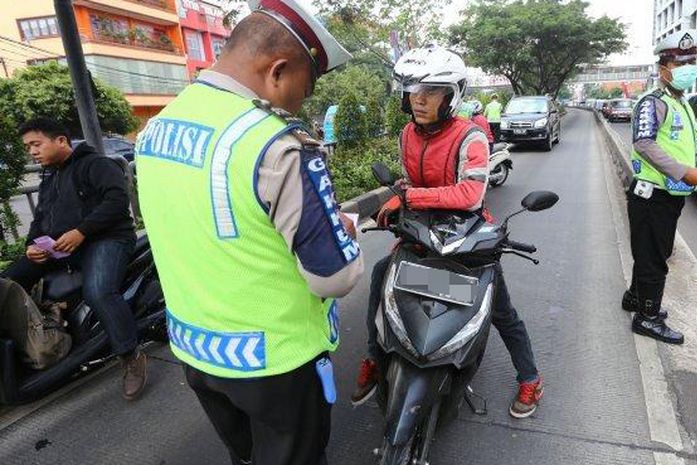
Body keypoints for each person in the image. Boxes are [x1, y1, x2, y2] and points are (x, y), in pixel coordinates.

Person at [135, 1, 363, 464]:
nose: (304, 101)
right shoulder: (277, 145)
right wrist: (346, 237)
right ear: (278, 70)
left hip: (197, 351)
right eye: (307, 85)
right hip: (276, 364)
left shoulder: (155, 129)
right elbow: (334, 277)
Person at [350, 45, 543, 419]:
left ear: (451, 95)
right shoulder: (407, 134)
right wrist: (396, 196)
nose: (418, 101)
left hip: (467, 235)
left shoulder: (469, 137)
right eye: (412, 92)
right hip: (421, 231)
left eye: (430, 93)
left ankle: (530, 377)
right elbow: (410, 180)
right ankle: (374, 357)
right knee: (380, 280)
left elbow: (470, 194)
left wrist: (409, 196)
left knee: (498, 308)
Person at [0, 118, 144, 399]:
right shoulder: (49, 177)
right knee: (9, 280)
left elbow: (116, 201)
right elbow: (40, 218)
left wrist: (81, 231)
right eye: (28, 147)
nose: (31, 152)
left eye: (36, 144)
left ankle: (131, 356)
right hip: (61, 247)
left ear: (61, 141)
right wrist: (31, 246)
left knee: (99, 291)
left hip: (107, 240)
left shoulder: (96, 164)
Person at [623, 29, 697, 344]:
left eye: (691, 60)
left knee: (653, 251)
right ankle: (647, 317)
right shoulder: (652, 102)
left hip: (668, 196)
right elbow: (643, 143)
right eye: (679, 61)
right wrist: (684, 172)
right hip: (652, 195)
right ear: (662, 67)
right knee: (654, 258)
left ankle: (635, 298)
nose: (687, 67)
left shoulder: (679, 102)